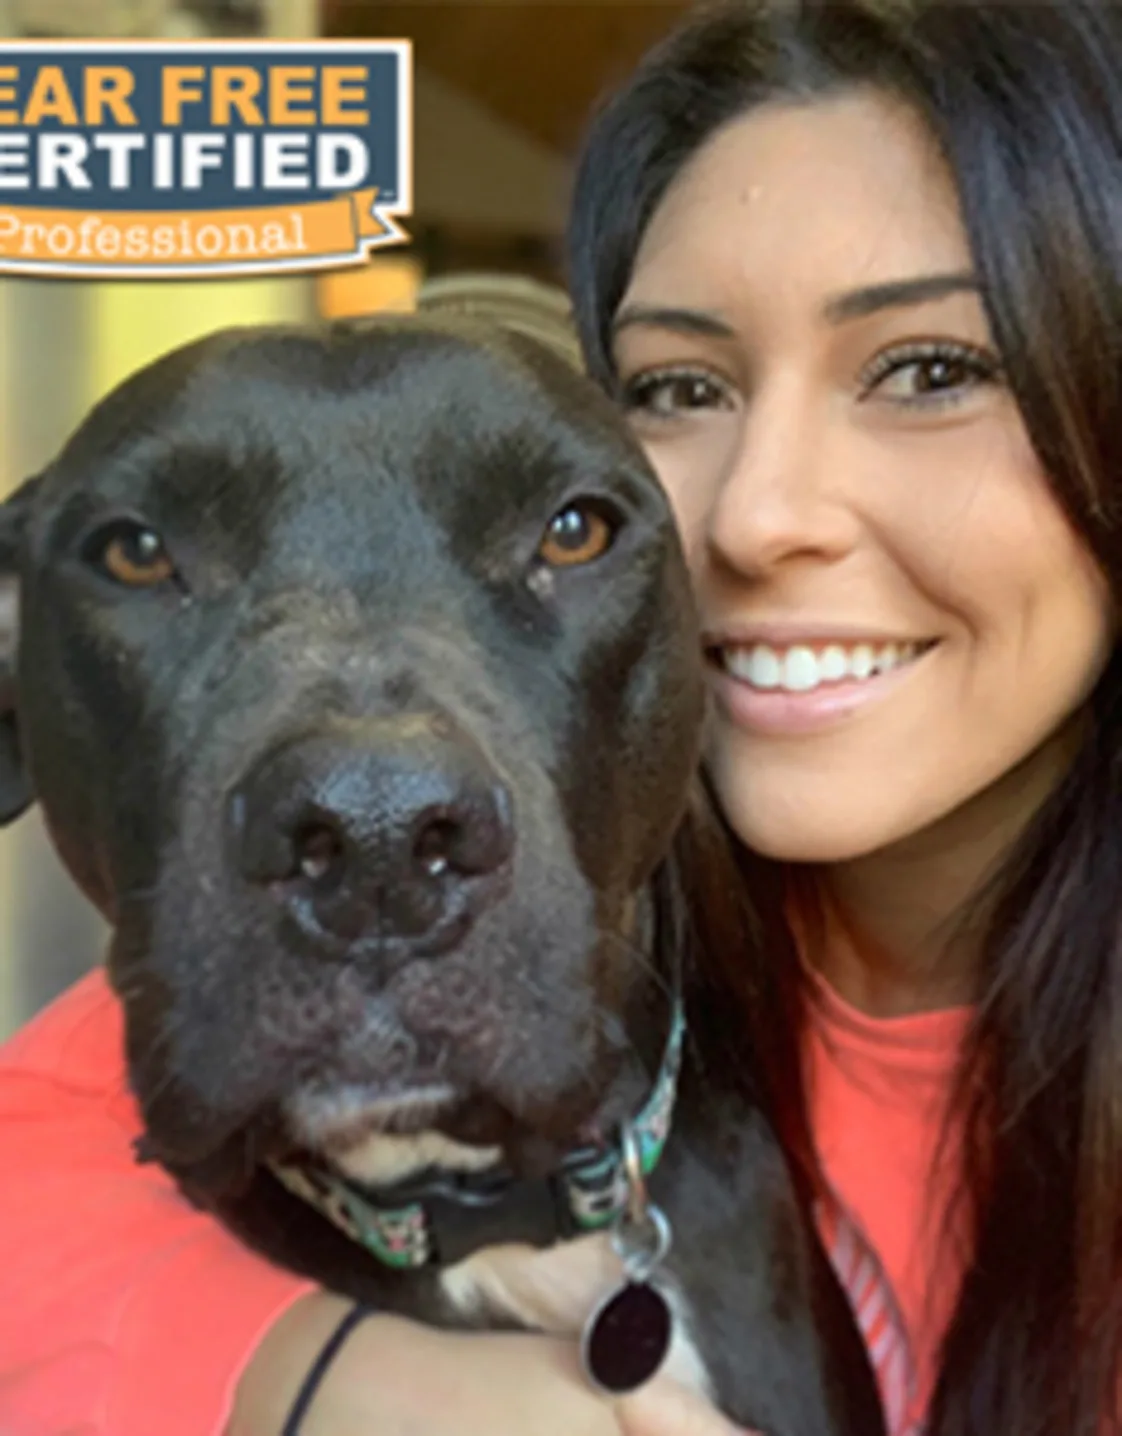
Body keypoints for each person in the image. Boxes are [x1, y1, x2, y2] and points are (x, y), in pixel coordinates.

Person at [2, 0, 1121, 1432]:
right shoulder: (620, 873)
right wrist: (306, 1375)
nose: (762, 514)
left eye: (928, 370)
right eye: (675, 386)